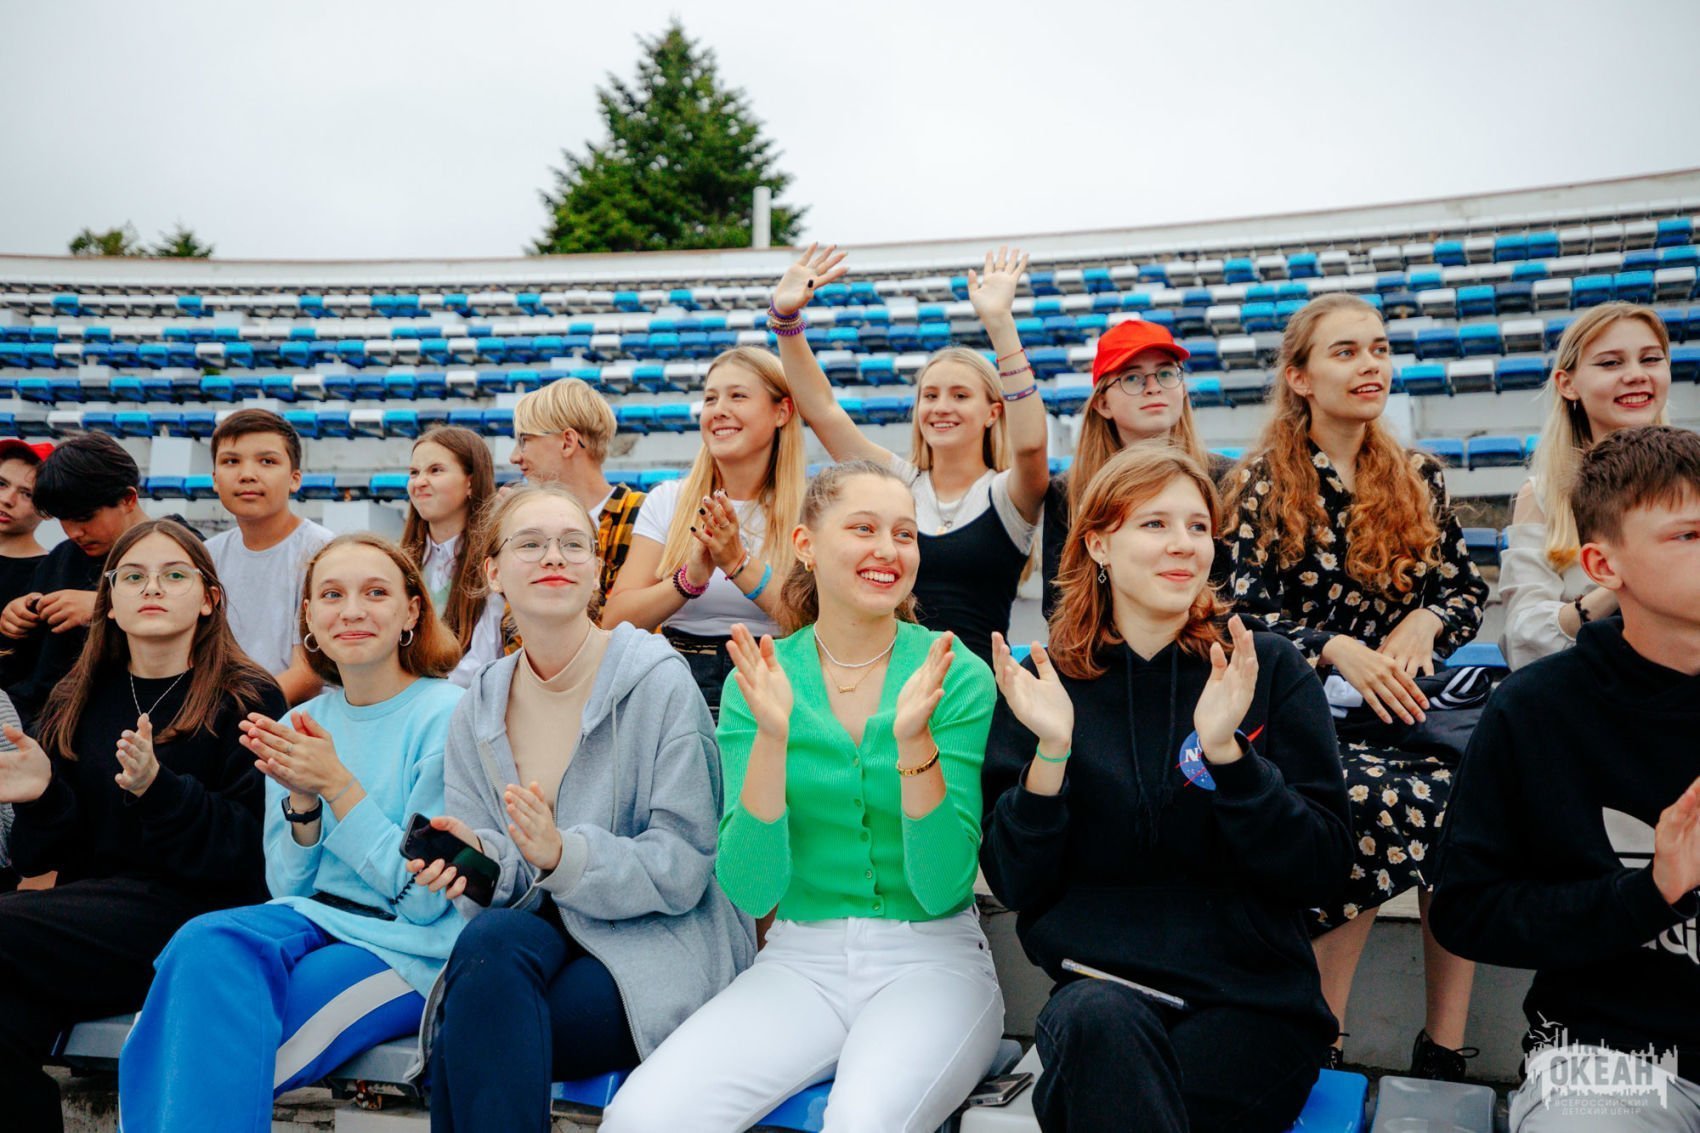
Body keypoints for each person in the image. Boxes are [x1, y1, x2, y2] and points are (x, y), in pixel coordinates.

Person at [603, 461, 1004, 1133]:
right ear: (806, 544)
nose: (888, 549)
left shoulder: (953, 672)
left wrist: (913, 744)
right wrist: (772, 737)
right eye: (864, 528)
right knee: (641, 1117)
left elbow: (942, 886)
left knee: (861, 1122)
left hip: (932, 961)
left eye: (905, 534)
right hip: (799, 962)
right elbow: (751, 887)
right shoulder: (761, 676)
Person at [982, 445, 1351, 1133]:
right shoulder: (1045, 685)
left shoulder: (1262, 667)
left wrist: (1229, 756)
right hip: (1103, 998)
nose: (1184, 543)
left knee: (1115, 1099)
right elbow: (1016, 881)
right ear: (1098, 543)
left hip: (1252, 1008)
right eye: (1155, 523)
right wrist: (1052, 754)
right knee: (1098, 1027)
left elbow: (1321, 867)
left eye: (1197, 526)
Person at [408, 483, 753, 1132]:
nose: (553, 557)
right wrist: (479, 859)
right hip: (532, 935)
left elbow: (684, 863)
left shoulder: (659, 680)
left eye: (573, 544)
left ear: (597, 571)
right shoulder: (477, 705)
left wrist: (565, 855)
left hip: (655, 940)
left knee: (470, 1031)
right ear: (492, 572)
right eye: (531, 544)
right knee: (487, 948)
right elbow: (506, 883)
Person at [1223, 293, 1489, 1080]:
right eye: (1345, 352)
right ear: (1300, 377)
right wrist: (1333, 647)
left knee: (1471, 798)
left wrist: (1427, 621)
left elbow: (1466, 590)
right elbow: (1234, 612)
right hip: (1300, 717)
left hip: (1403, 713)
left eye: (1378, 348)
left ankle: (1444, 1047)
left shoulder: (1418, 475)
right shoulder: (1259, 483)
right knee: (1364, 800)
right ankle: (1323, 1037)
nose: (1370, 364)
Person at [117, 535, 465, 1133]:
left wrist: (336, 786)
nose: (351, 611)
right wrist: (304, 801)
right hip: (314, 921)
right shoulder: (300, 723)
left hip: (407, 946)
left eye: (374, 593)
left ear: (412, 611)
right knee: (204, 940)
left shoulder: (450, 715)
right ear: (308, 616)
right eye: (331, 595)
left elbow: (424, 901)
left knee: (200, 1057)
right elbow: (287, 887)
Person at [1432, 426, 1700, 1132]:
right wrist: (1649, 894)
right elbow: (1468, 909)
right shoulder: (1537, 708)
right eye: (1689, 534)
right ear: (1603, 564)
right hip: (1610, 1055)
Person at [0, 519, 281, 1133]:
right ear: (108, 601)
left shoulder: (247, 697)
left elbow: (249, 856)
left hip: (193, 923)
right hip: (83, 923)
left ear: (208, 598)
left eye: (174, 575)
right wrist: (41, 796)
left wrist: (160, 790)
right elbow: (38, 857)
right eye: (132, 577)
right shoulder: (76, 695)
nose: (152, 587)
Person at [766, 244, 1050, 664]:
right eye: (930, 396)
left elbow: (1031, 444)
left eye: (960, 395)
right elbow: (823, 411)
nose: (941, 407)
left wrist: (1000, 324)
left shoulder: (1008, 495)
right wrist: (786, 319)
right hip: (888, 685)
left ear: (993, 412)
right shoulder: (896, 482)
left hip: (979, 691)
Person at [603, 347, 804, 715]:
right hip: (677, 684)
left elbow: (816, 619)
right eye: (711, 398)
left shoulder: (811, 507)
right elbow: (615, 621)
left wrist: (737, 564)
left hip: (780, 682)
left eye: (737, 396)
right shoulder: (668, 500)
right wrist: (689, 580)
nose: (718, 410)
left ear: (782, 412)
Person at [1500, 303, 1672, 669]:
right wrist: (1621, 580)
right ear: (1567, 384)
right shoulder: (1542, 495)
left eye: (1651, 359)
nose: (1636, 375)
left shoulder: (1694, 477)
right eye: (1611, 363)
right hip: (1594, 686)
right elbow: (1522, 640)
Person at [1041, 321, 1229, 617]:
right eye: (1132, 378)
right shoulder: (1069, 491)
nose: (1153, 387)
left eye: (1166, 373)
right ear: (1102, 403)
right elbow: (1059, 606)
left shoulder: (1229, 479)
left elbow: (1239, 595)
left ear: (1182, 390)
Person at [0, 433, 157, 726]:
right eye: (64, 519)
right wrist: (16, 618)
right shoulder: (63, 556)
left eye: (84, 518)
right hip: (33, 714)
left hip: (115, 721)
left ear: (128, 499)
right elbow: (23, 662)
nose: (74, 532)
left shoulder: (175, 550)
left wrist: (103, 605)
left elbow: (191, 626)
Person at [204, 409, 333, 705]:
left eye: (267, 461)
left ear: (294, 479)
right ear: (214, 479)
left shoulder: (321, 552)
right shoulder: (208, 555)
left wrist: (232, 713)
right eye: (231, 461)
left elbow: (309, 674)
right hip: (224, 710)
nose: (247, 475)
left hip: (294, 716)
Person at [510, 376, 646, 598]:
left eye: (524, 441)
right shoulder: (525, 519)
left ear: (568, 442)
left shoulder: (643, 514)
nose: (514, 457)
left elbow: (625, 614)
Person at [402, 425, 506, 685]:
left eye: (435, 470)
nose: (419, 482)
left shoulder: (496, 560)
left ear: (471, 482)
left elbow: (482, 662)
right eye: (414, 472)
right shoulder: (398, 561)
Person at [0, 439, 52, 614]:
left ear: (49, 511)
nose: (7, 499)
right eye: (2, 484)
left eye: (27, 494)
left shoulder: (49, 574)